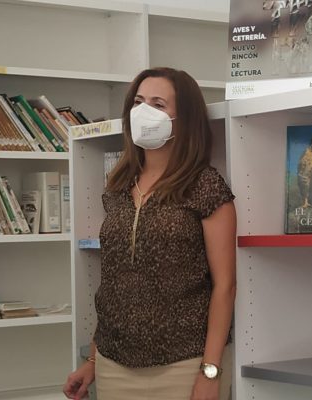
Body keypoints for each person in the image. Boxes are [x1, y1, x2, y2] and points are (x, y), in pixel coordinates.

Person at [63, 67, 237, 400]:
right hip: (115, 366)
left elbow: (225, 286)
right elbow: (116, 283)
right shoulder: (116, 187)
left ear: (183, 117)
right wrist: (92, 361)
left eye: (158, 104)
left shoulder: (205, 186)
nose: (144, 111)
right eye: (139, 101)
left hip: (184, 365)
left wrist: (210, 371)